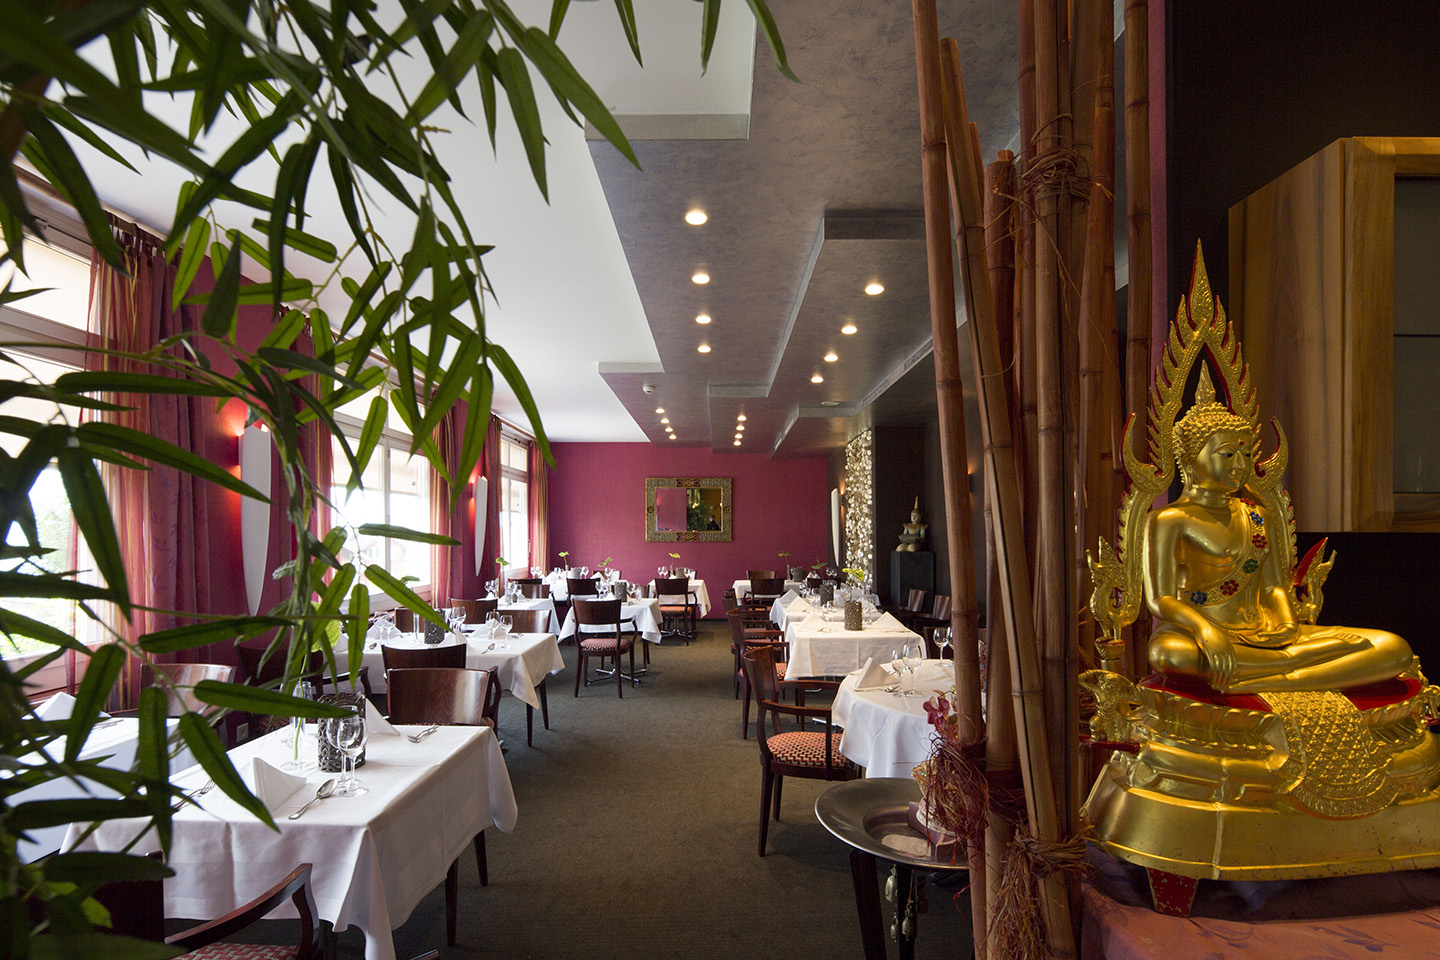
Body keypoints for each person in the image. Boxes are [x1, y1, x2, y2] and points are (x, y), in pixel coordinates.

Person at [1144, 368, 1412, 693]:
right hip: (1197, 635)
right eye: (1227, 454)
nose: (1240, 465)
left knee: (1393, 648)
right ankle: (1297, 667)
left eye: (1246, 454)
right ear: (1189, 458)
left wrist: (1286, 625)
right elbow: (1161, 599)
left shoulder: (1258, 516)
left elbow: (1273, 587)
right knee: (1169, 655)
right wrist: (1206, 631)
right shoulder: (1169, 519)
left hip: (1265, 633)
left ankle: (1272, 674)